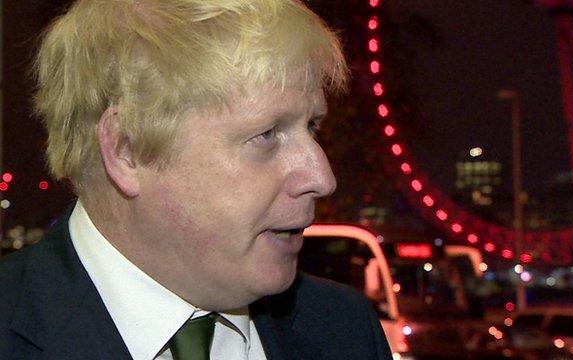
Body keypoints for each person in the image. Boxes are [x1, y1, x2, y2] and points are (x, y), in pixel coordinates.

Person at [0, 1, 392, 359]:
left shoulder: (346, 331)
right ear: (127, 149)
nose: (322, 178)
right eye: (267, 134)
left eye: (312, 126)